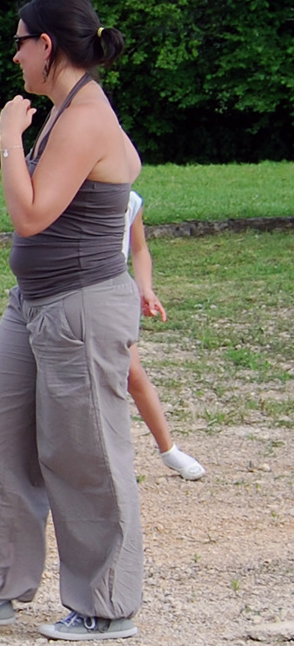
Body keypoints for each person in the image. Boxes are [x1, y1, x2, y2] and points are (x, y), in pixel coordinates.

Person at [0, 0, 145, 642]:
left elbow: (31, 213)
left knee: (84, 453)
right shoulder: (64, 111)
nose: (16, 55)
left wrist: (6, 139)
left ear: (46, 45)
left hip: (80, 306)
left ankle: (105, 604)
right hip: (33, 303)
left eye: (20, 42)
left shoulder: (84, 117)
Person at [126, 197, 204, 479]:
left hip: (111, 294)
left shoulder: (129, 200)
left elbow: (139, 248)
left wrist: (145, 288)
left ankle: (168, 449)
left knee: (133, 373)